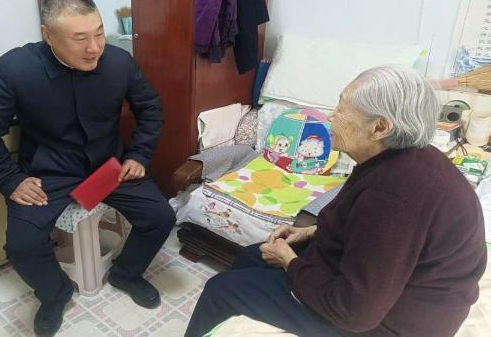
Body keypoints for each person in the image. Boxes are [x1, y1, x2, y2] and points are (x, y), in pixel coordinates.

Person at [185, 66, 487, 337]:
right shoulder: (400, 157)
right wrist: (310, 232)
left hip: (387, 322)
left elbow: (356, 313)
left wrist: (290, 262)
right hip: (377, 285)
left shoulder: (393, 197)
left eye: (342, 109)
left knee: (220, 291)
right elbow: (369, 231)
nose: (331, 116)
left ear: (380, 128)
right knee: (252, 256)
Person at [0, 0, 175, 337]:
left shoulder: (119, 62)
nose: (94, 48)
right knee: (22, 247)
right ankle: (55, 294)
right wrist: (10, 180)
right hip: (49, 173)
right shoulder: (16, 68)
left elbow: (150, 108)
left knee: (161, 217)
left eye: (99, 33)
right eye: (80, 38)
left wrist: (139, 154)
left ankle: (126, 273)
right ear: (48, 35)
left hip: (109, 166)